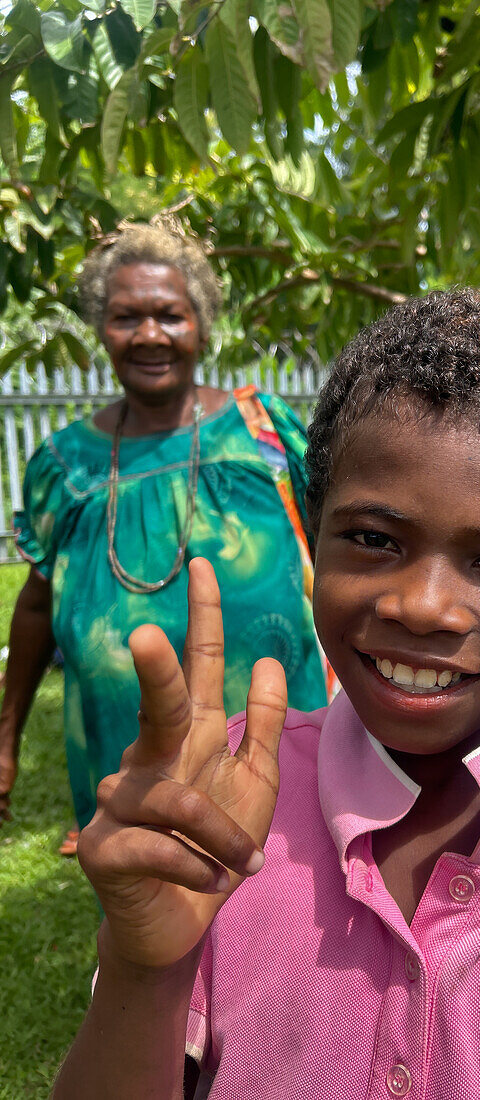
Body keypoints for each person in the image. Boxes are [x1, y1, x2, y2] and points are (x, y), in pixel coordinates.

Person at [53, 291, 480, 1099]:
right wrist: (143, 968)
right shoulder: (220, 809)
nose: (422, 605)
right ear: (315, 527)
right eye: (374, 540)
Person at [0, 217, 327, 852]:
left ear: (202, 325)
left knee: (289, 911)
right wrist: (6, 734)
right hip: (126, 764)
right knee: (153, 925)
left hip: (283, 747)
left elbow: (340, 555)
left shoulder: (262, 432)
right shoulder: (66, 467)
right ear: (102, 329)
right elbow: (36, 603)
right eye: (127, 317)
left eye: (170, 316)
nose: (150, 335)